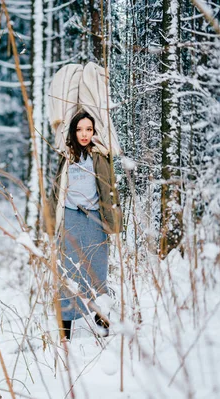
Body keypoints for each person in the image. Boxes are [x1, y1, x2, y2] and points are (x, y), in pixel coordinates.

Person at [46, 111, 122, 342]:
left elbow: (110, 191)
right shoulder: (66, 156)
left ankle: (103, 330)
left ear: (95, 131)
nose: (84, 134)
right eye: (79, 129)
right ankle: (64, 336)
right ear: (72, 132)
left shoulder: (100, 155)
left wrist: (114, 222)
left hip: (95, 219)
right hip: (70, 219)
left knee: (98, 274)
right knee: (68, 274)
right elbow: (55, 192)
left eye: (88, 129)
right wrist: (49, 224)